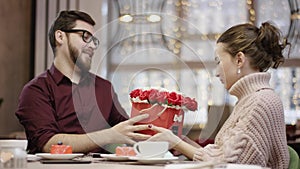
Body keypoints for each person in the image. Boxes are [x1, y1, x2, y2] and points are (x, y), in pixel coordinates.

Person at [148, 22, 290, 169]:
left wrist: (177, 143)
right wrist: (182, 141)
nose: (216, 72)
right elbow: (223, 156)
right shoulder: (252, 99)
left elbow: (230, 166)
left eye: (218, 61)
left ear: (239, 60)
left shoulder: (259, 103)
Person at [15, 10, 151, 154]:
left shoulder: (104, 88)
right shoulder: (36, 90)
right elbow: (48, 143)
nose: (92, 46)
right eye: (85, 37)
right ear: (60, 37)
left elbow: (129, 130)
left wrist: (169, 137)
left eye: (94, 41)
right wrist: (107, 135)